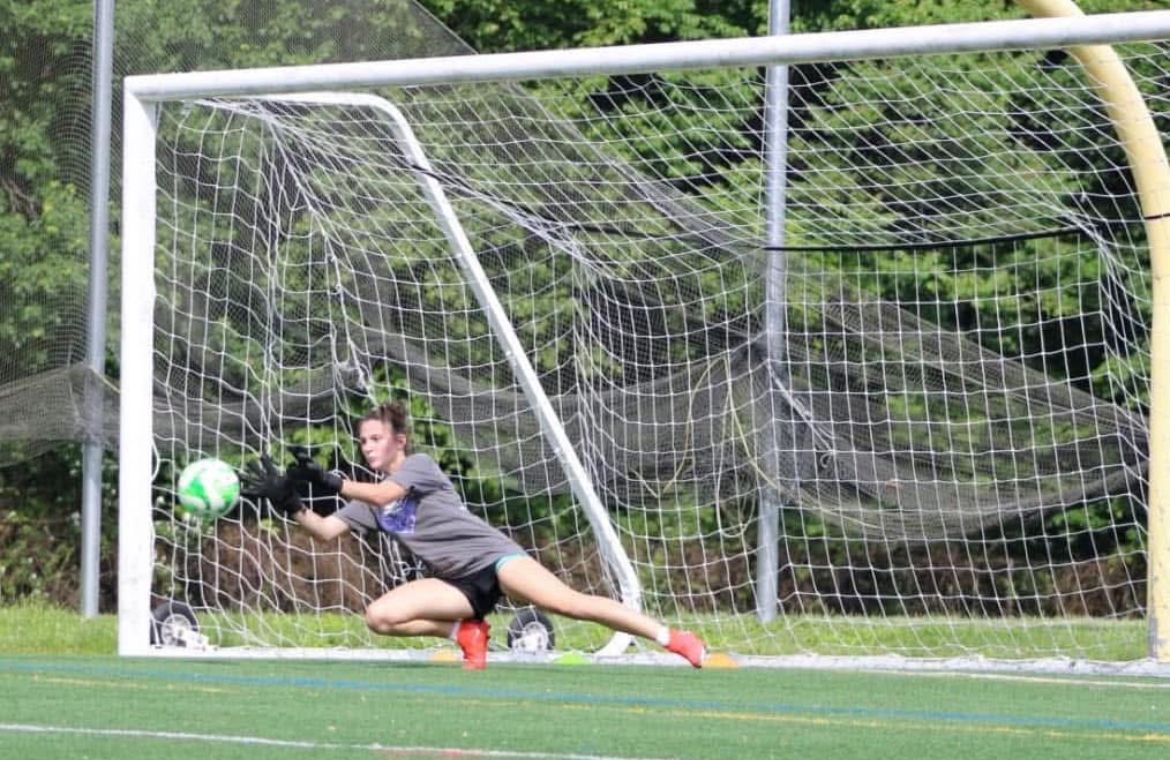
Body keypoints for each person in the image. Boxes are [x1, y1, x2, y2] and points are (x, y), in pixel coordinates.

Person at [241, 401, 706, 670]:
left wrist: (332, 482)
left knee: (568, 604)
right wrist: (290, 503)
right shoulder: (367, 497)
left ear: (399, 441)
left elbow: (388, 497)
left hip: (494, 560)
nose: (368, 447)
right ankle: (467, 631)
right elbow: (325, 531)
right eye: (363, 441)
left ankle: (672, 637)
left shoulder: (416, 468)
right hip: (457, 584)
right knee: (379, 617)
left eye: (375, 439)